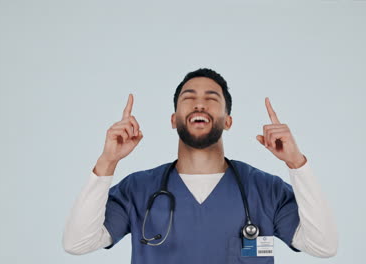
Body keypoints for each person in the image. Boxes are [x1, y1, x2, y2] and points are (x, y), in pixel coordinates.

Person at [62, 68, 338, 263]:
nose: (199, 104)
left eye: (211, 99)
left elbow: (323, 246)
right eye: (189, 98)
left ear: (228, 121)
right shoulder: (138, 189)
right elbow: (77, 243)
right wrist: (107, 161)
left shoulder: (265, 189)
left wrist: (296, 163)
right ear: (174, 119)